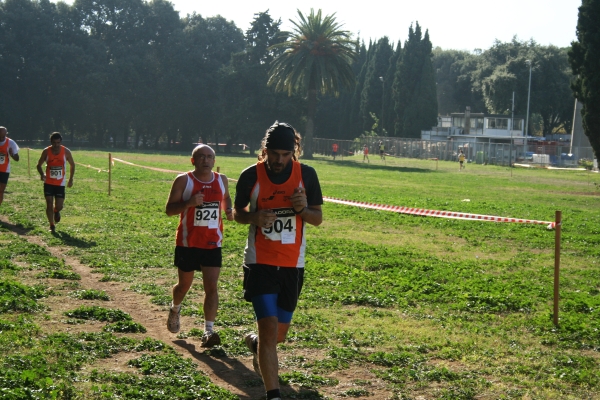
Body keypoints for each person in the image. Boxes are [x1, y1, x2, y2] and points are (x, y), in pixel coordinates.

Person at [234, 121, 323, 400]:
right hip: (260, 261)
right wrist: (254, 217)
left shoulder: (306, 175)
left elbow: (317, 218)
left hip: (292, 264)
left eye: (285, 154)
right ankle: (273, 394)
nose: (279, 160)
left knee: (277, 335)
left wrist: (301, 209)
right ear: (265, 150)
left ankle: (257, 344)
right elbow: (237, 213)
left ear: (294, 151)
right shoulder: (250, 176)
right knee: (269, 326)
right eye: (274, 154)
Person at [165, 144, 233, 347]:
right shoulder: (184, 180)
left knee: (211, 287)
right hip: (188, 242)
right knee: (183, 286)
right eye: (201, 156)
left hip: (213, 243)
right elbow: (169, 210)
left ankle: (208, 331)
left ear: (214, 161)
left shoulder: (221, 180)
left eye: (209, 157)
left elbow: (227, 198)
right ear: (193, 160)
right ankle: (175, 308)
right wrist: (189, 203)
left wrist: (228, 209)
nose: (205, 160)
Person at [36, 132, 75, 233]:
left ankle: (56, 211)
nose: (56, 145)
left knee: (59, 205)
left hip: (60, 183)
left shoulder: (66, 151)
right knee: (49, 203)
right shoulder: (46, 151)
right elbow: (39, 165)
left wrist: (71, 179)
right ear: (51, 142)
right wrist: (42, 174)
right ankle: (51, 225)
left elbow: (72, 165)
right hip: (48, 182)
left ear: (61, 142)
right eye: (54, 143)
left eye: (58, 143)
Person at [0, 126, 20, 207]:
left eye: (3, 136)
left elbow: (17, 158)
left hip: (4, 170)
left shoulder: (11, 143)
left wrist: (12, 154)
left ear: (6, 134)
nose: (1, 138)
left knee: (1, 191)